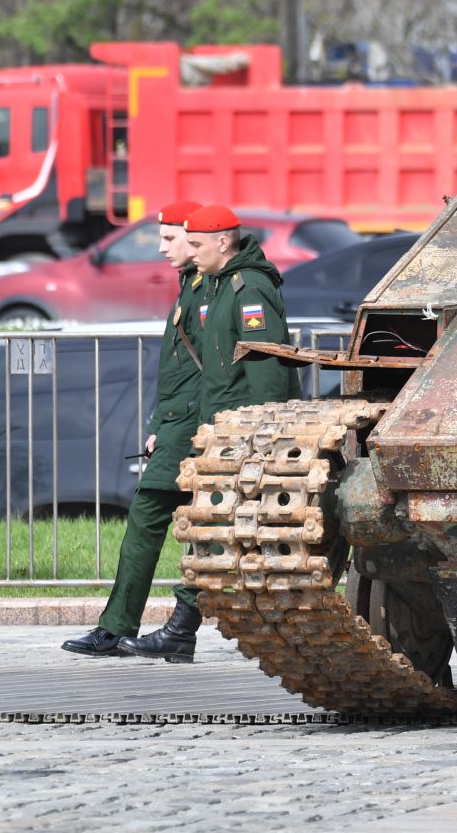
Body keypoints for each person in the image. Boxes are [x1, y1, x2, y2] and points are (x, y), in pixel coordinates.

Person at [111, 205, 295, 662]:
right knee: (210, 528)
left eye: (195, 244)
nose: (187, 253)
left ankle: (183, 627)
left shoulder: (247, 287)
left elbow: (265, 363)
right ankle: (181, 629)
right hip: (218, 427)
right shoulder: (217, 284)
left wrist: (265, 432)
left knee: (218, 528)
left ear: (223, 243)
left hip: (242, 431)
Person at [62, 200, 204, 658]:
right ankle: (131, 626)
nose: (162, 248)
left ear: (197, 236)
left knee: (204, 530)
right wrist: (159, 425)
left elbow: (217, 373)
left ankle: (170, 626)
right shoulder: (192, 285)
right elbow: (180, 371)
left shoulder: (218, 289)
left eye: (170, 238)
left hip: (199, 428)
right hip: (179, 425)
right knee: (164, 522)